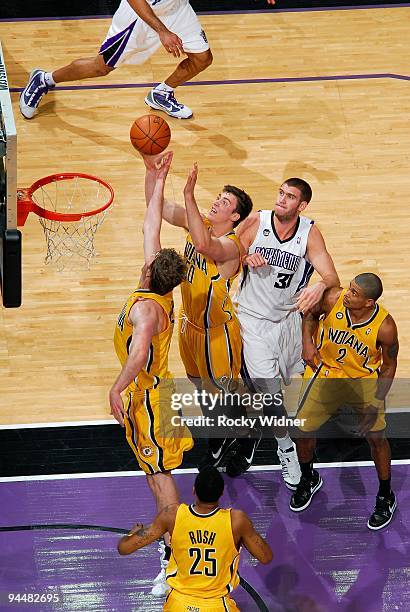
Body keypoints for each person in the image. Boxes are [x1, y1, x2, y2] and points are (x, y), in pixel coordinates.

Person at [110, 151, 193, 596]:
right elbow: (151, 224)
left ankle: (177, 559)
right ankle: (173, 546)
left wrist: (115, 389)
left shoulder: (146, 311)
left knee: (161, 478)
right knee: (153, 473)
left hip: (149, 400)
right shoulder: (154, 287)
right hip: (154, 396)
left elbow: (139, 355)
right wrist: (156, 177)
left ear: (148, 269)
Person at [142, 153, 254, 471]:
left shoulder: (232, 246)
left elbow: (206, 247)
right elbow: (158, 206)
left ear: (234, 217)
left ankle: (247, 436)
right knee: (199, 386)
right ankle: (219, 437)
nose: (216, 203)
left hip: (218, 334)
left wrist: (189, 194)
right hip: (190, 327)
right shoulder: (199, 223)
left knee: (225, 396)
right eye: (218, 197)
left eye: (224, 202)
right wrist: (153, 172)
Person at [233, 178, 340, 486]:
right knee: (269, 394)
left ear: (301, 205)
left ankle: (290, 440)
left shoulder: (309, 233)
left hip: (290, 320)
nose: (281, 199)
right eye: (280, 193)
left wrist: (320, 285)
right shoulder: (257, 222)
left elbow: (332, 276)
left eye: (289, 196)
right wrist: (243, 257)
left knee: (292, 396)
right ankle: (286, 450)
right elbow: (227, 258)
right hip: (253, 320)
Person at [291, 273, 399, 530]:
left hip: (361, 380)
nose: (347, 295)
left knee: (377, 438)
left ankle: (386, 495)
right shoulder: (332, 298)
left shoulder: (385, 327)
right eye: (349, 289)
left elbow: (388, 367)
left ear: (369, 303)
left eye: (354, 293)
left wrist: (374, 404)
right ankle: (308, 478)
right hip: (326, 371)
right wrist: (307, 342)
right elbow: (309, 312)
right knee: (302, 431)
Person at [19, 0, 213, 120]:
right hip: (140, 14)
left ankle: (161, 94)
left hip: (176, 8)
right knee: (101, 67)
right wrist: (162, 31)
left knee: (202, 58)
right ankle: (43, 80)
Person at [118, 466, 273, 610]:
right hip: (216, 605)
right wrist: (245, 533)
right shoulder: (237, 520)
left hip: (178, 604)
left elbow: (124, 548)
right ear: (221, 494)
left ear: (194, 490)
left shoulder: (172, 515)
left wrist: (133, 533)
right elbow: (266, 557)